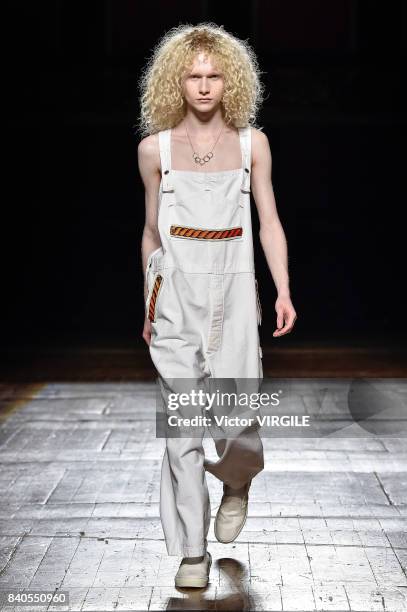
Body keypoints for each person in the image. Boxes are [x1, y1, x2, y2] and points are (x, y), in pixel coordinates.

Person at [137, 22, 297, 589]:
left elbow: (269, 221)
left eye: (213, 75)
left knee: (238, 427)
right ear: (174, 81)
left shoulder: (253, 144)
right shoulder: (154, 150)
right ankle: (192, 552)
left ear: (230, 81)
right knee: (181, 431)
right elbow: (151, 232)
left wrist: (282, 289)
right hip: (176, 297)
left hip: (233, 291)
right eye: (193, 76)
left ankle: (236, 481)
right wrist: (150, 299)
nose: (203, 87)